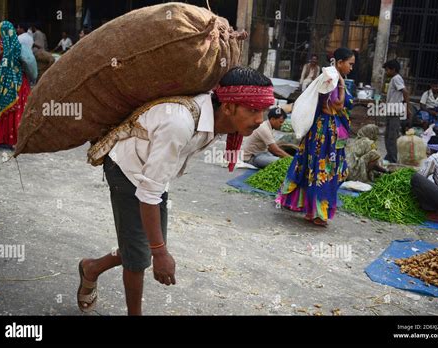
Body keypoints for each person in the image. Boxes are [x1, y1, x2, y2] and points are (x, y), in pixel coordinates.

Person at [77, 66, 275, 315]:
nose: (260, 119)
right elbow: (148, 194)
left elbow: (155, 183)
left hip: (154, 172)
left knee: (145, 245)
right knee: (141, 257)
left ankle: (92, 268)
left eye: (263, 111)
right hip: (127, 168)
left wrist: (158, 250)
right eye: (253, 110)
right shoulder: (179, 123)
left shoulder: (217, 116)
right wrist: (161, 255)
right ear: (228, 107)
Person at [276, 47, 355, 227]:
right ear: (340, 62)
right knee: (323, 171)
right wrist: (342, 85)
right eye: (350, 64)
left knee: (314, 167)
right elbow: (336, 104)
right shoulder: (332, 78)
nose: (351, 68)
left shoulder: (333, 76)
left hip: (325, 132)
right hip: (325, 133)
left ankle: (304, 205)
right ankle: (319, 213)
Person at [0, 21, 31, 149]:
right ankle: (19, 138)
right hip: (20, 82)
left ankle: (1, 138)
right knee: (19, 109)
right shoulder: (17, 45)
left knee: (1, 108)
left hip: (4, 82)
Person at [382, 59, 412, 163]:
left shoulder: (396, 78)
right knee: (388, 136)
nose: (386, 72)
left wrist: (407, 109)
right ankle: (389, 155)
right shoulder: (394, 79)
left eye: (387, 70)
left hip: (395, 111)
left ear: (393, 69)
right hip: (391, 110)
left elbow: (405, 92)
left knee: (392, 136)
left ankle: (393, 159)